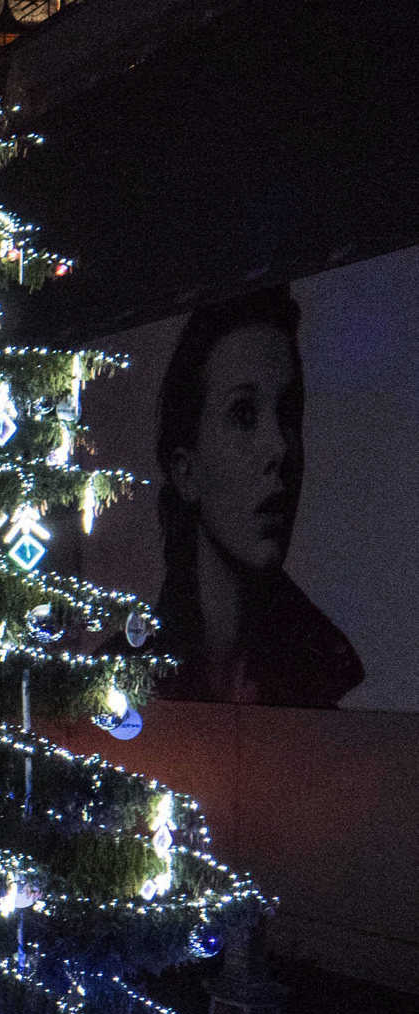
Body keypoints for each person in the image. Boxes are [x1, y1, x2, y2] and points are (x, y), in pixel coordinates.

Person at [152, 286, 361, 706]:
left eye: (288, 414)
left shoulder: (320, 676)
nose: (279, 448)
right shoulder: (121, 676)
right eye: (244, 413)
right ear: (185, 471)